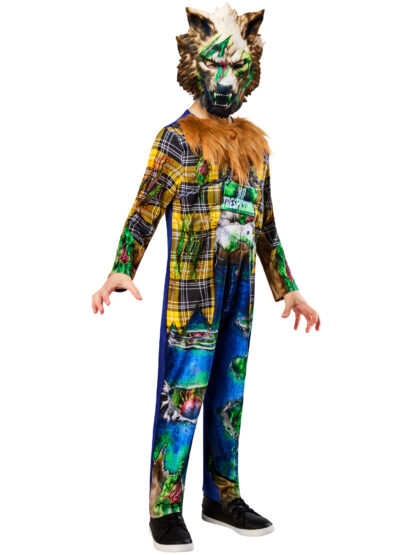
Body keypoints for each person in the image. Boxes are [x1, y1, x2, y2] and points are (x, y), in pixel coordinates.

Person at [92, 4, 320, 552]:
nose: (225, 80)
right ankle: (165, 507)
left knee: (228, 396)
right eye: (216, 66)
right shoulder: (176, 140)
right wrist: (122, 267)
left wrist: (287, 286)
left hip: (240, 296)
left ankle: (222, 496)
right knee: (183, 396)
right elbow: (145, 209)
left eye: (236, 69)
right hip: (191, 295)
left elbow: (266, 225)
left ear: (250, 72)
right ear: (195, 65)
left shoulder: (255, 147)